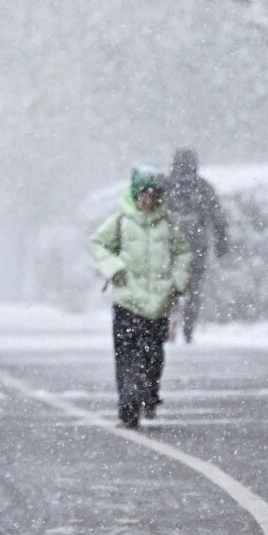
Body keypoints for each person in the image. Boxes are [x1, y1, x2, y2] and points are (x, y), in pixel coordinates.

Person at [90, 166, 192, 429]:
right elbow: (99, 244)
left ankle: (149, 395)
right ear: (135, 196)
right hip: (128, 302)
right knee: (126, 357)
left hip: (158, 304)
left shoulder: (168, 224)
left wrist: (177, 282)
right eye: (143, 194)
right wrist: (114, 269)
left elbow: (183, 254)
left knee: (153, 355)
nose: (148, 200)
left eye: (153, 194)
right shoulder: (121, 221)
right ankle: (128, 408)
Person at [165, 149, 228, 342]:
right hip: (197, 246)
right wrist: (221, 243)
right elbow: (217, 217)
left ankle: (169, 325)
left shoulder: (166, 186)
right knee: (194, 289)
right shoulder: (202, 187)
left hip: (170, 246)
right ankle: (189, 329)